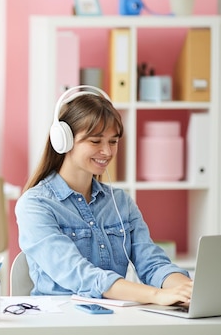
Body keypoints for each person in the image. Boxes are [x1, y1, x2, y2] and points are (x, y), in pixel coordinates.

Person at [15, 85, 193, 306]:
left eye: (113, 141)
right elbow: (81, 274)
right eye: (95, 141)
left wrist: (186, 290)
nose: (107, 152)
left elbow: (152, 264)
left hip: (113, 319)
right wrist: (156, 295)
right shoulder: (35, 205)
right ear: (64, 141)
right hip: (60, 320)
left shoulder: (120, 202)